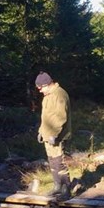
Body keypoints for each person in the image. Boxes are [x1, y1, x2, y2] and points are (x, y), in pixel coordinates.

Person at [35, 71, 72, 201]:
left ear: (47, 84)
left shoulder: (60, 94)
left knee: (59, 162)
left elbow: (61, 117)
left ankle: (66, 189)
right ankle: (57, 186)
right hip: (47, 135)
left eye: (40, 88)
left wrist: (54, 134)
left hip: (58, 136)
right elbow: (46, 117)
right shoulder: (47, 96)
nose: (39, 91)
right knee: (52, 161)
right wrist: (41, 131)